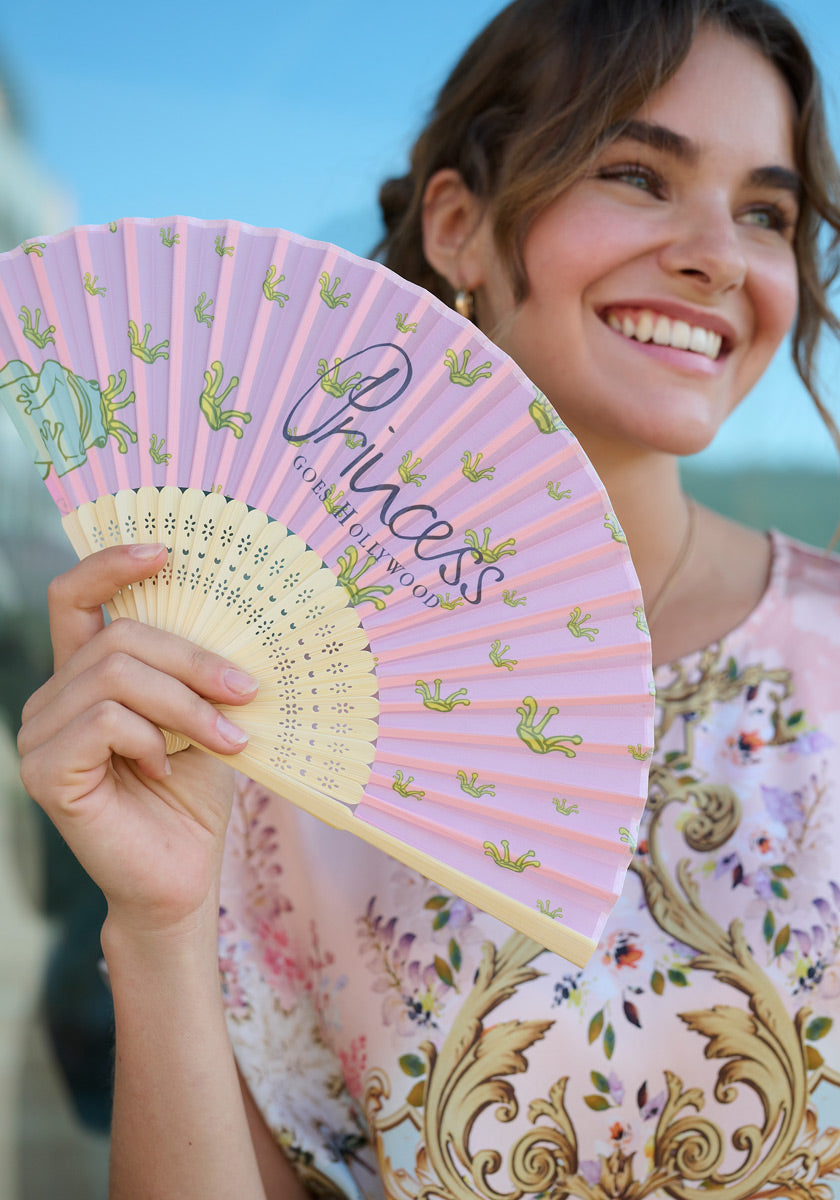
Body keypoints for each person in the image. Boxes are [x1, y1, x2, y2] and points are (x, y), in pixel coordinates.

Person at [17, 1, 840, 1196]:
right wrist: (155, 927)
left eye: (766, 212)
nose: (720, 251)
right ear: (457, 224)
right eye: (637, 174)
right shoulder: (249, 712)